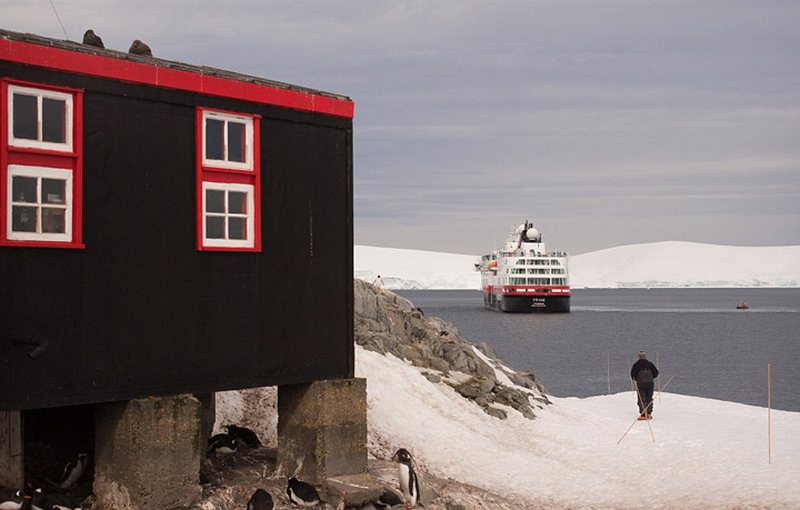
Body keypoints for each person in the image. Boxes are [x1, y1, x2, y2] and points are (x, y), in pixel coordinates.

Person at [630, 350, 659, 419]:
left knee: (641, 398)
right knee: (649, 397)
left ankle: (643, 414)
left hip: (640, 383)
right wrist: (651, 377)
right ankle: (649, 413)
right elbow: (656, 373)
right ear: (645, 356)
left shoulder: (636, 365)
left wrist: (637, 379)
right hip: (650, 383)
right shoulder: (650, 364)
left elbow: (632, 375)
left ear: (639, 356)